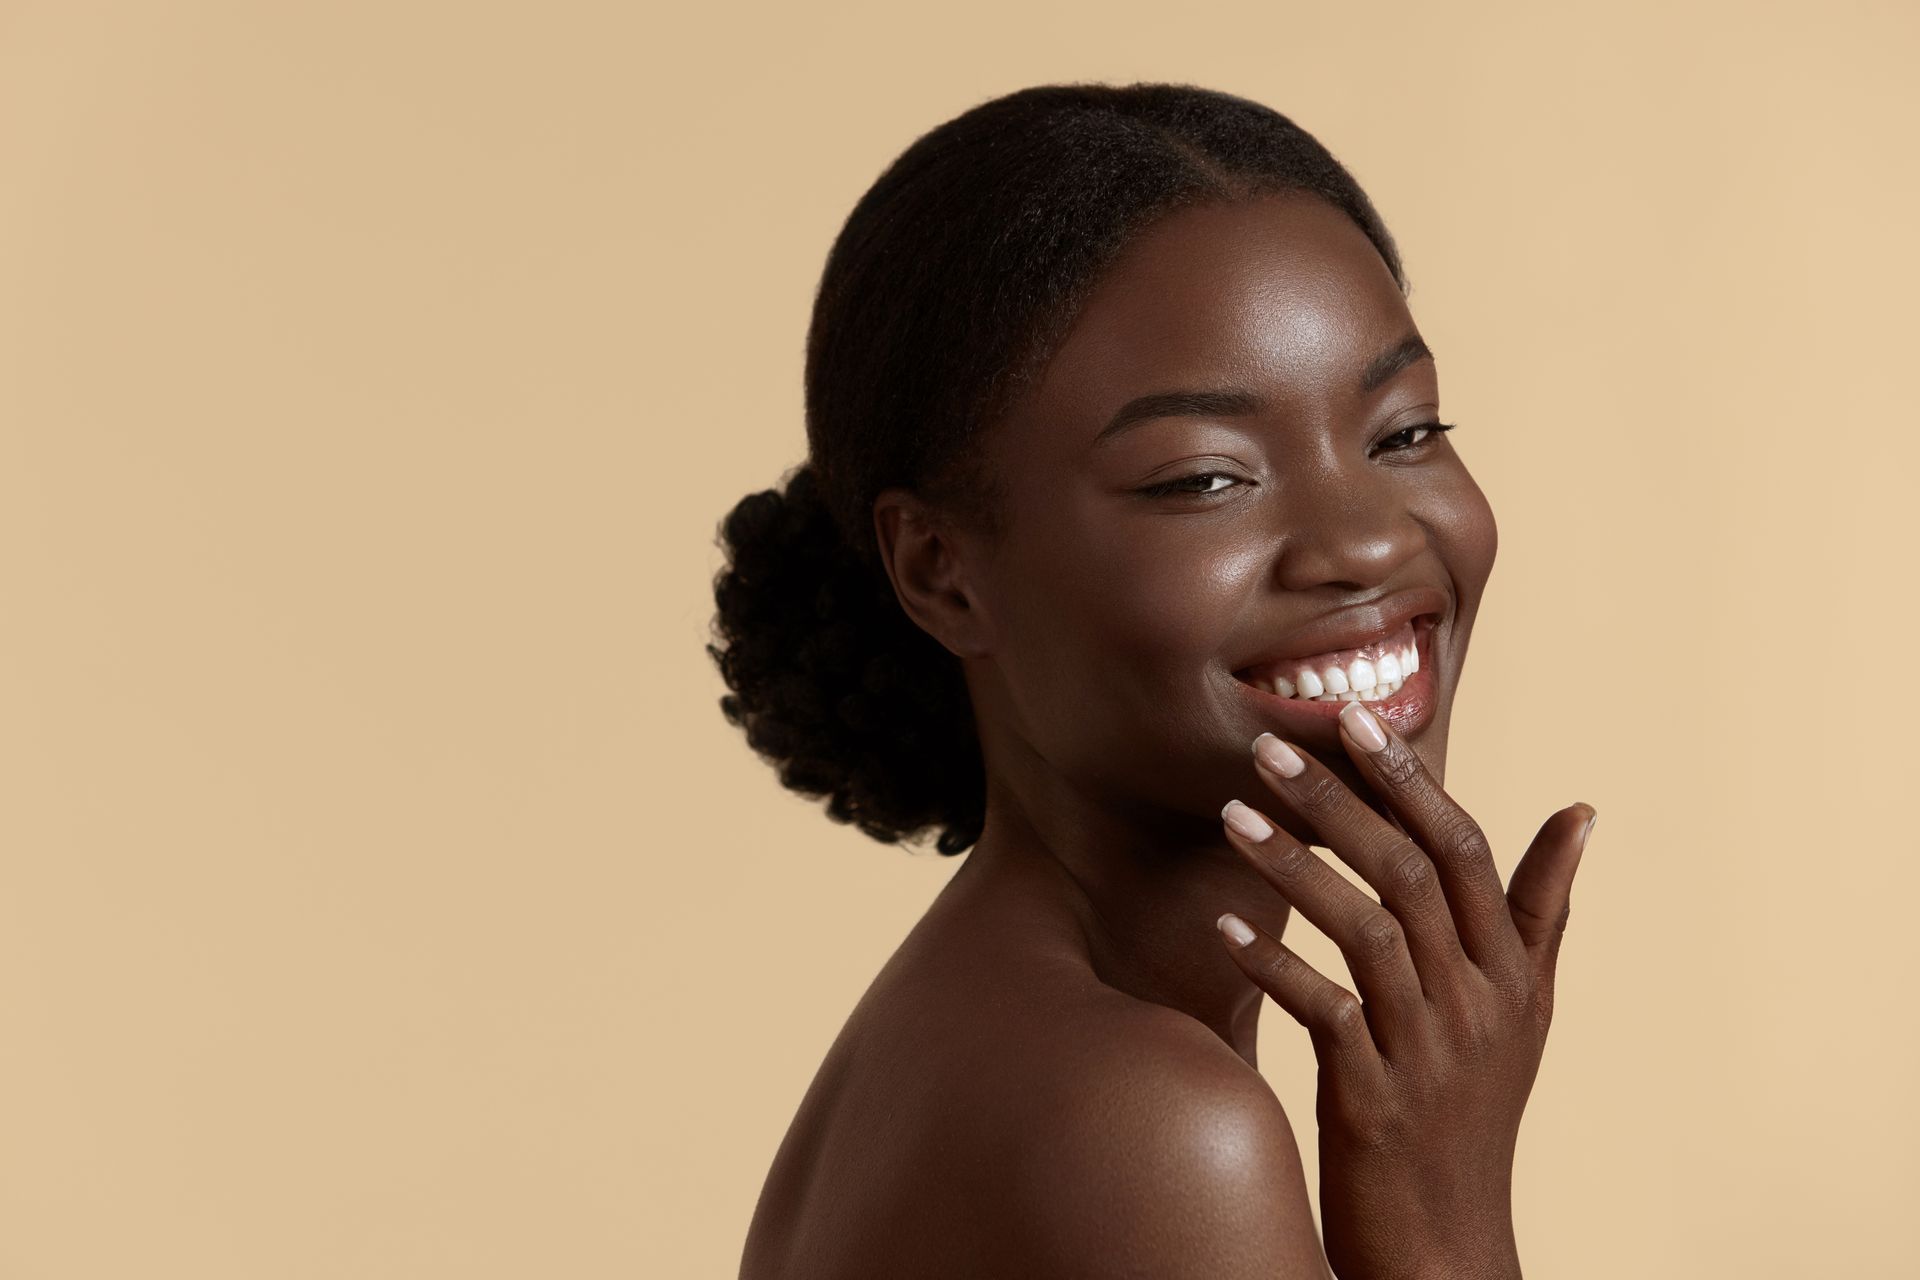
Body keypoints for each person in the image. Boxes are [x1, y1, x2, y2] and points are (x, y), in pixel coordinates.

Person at [710, 81, 1596, 1280]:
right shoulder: (1147, 1126)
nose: (1368, 543)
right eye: (1204, 478)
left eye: (1405, 431)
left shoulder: (983, 1031)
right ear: (942, 570)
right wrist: (1444, 1225)